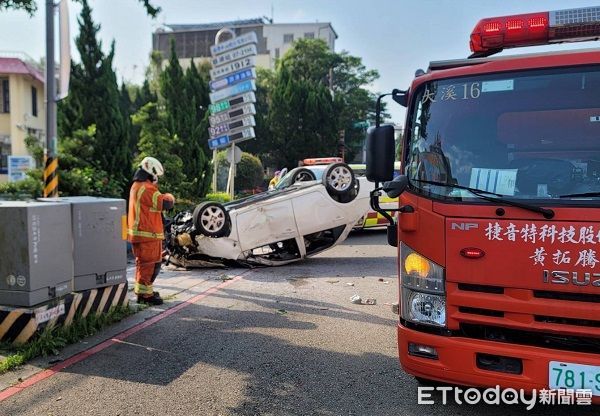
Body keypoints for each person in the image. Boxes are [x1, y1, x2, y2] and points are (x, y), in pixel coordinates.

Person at [127, 157, 175, 305]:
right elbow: (166, 203)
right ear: (152, 173)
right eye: (156, 176)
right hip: (147, 234)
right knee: (149, 265)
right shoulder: (147, 188)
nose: (157, 179)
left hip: (144, 234)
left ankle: (144, 292)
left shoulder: (137, 186)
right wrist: (170, 196)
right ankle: (145, 296)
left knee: (146, 264)